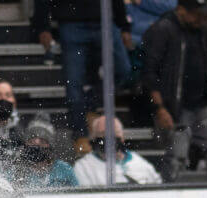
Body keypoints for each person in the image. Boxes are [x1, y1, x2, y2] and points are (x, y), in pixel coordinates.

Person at [141, 0, 207, 182]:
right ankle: (169, 194)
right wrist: (160, 108)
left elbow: (206, 64)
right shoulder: (163, 29)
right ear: (181, 10)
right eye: (196, 13)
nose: (200, 17)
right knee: (177, 156)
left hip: (201, 104)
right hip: (175, 107)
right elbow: (149, 73)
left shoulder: (200, 30)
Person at [31, 0, 133, 146]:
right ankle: (80, 132)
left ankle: (91, 101)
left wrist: (124, 26)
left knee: (123, 70)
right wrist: (42, 27)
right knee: (73, 82)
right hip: (71, 21)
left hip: (104, 20)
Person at [73, 115, 162, 185]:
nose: (108, 138)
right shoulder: (83, 167)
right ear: (94, 138)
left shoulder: (141, 163)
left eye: (113, 133)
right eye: (102, 134)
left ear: (122, 137)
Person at [11, 118, 78, 188]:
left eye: (42, 142)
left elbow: (78, 195)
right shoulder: (16, 171)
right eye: (31, 142)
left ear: (50, 146)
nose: (36, 147)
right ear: (25, 145)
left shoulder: (64, 169)